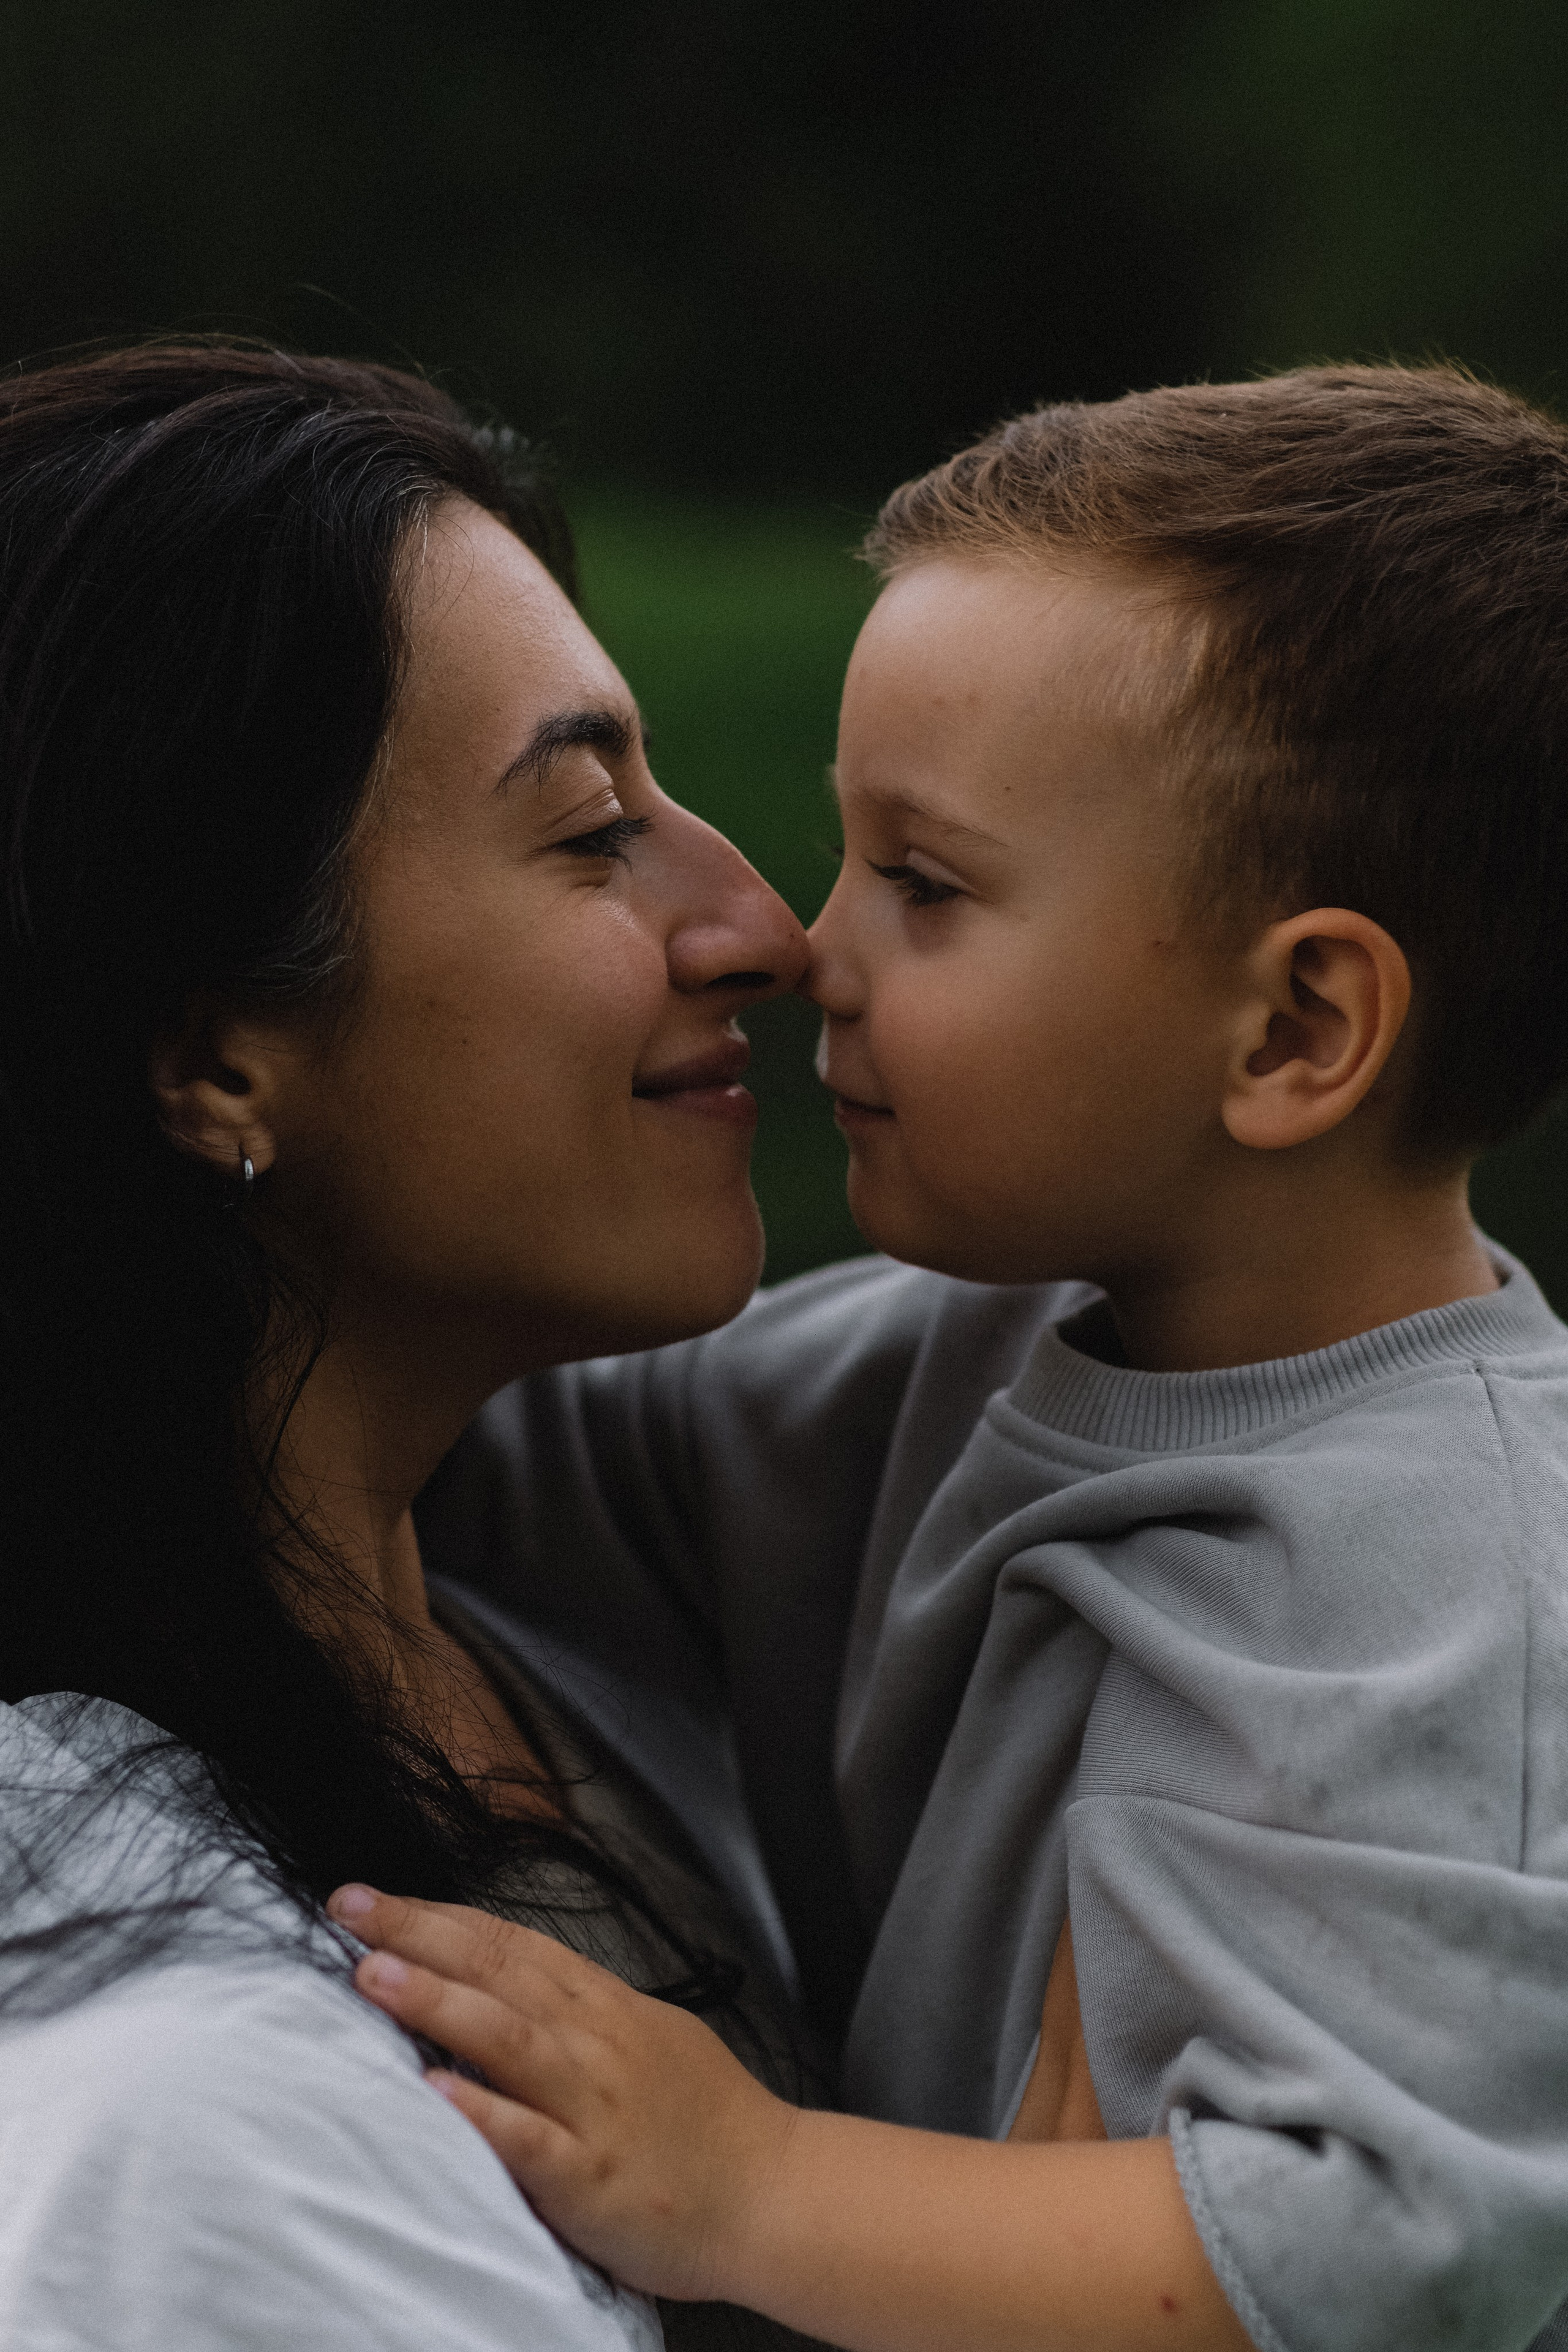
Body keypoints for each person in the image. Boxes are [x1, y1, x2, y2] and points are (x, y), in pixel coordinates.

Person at [368, 366, 1568, 2352]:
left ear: (1294, 1035)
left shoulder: (1456, 1578)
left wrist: (751, 2185)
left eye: (924, 884)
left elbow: (1381, 2249)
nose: (804, 942)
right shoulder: (951, 1359)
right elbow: (440, 1449)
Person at [0, 339, 824, 2350]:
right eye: (585, 829)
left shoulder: (607, 1629)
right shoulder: (197, 2124)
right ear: (211, 1055)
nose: (767, 925)